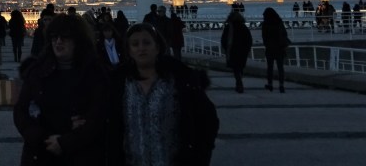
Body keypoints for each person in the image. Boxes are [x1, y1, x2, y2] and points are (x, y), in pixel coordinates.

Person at [107, 22, 219, 166]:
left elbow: (208, 121)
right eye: (135, 44)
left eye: (147, 43)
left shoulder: (180, 81)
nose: (141, 48)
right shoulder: (119, 84)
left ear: (157, 47)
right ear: (129, 50)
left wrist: (199, 157)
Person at [13, 14, 108, 166]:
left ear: (78, 40)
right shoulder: (37, 72)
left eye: (65, 37)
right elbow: (21, 111)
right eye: (54, 37)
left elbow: (98, 116)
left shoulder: (95, 73)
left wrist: (66, 142)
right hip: (40, 154)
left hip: (81, 155)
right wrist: (42, 138)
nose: (58, 41)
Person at [221, 9, 252, 93]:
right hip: (243, 51)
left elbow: (224, 39)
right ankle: (239, 81)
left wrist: (226, 48)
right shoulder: (244, 27)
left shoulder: (229, 27)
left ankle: (238, 82)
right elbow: (249, 39)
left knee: (236, 68)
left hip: (233, 50)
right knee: (240, 67)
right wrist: (247, 49)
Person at [260, 6, 290, 93]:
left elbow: (264, 37)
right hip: (280, 48)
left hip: (270, 48)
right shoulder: (279, 22)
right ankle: (281, 85)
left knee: (270, 67)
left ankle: (270, 84)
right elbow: (284, 34)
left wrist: (267, 45)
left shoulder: (265, 24)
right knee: (280, 67)